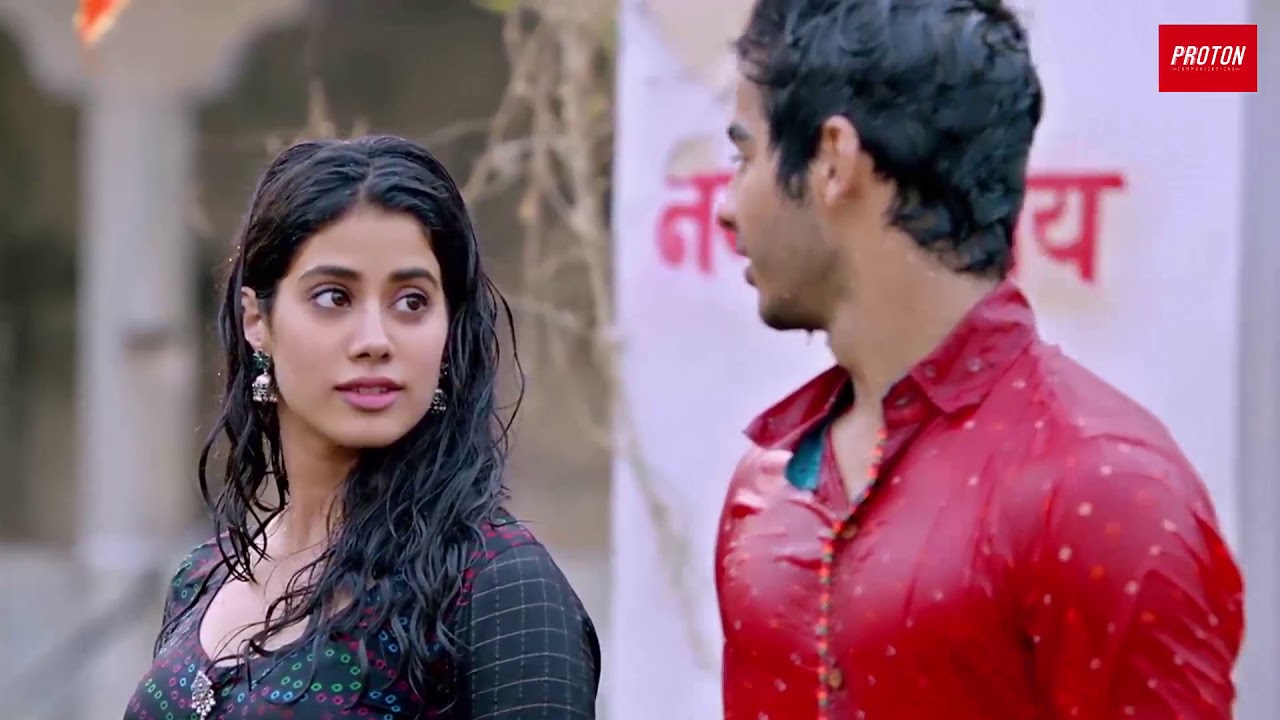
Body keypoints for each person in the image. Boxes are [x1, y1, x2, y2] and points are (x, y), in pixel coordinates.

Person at [712, 1, 1244, 719]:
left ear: (833, 160)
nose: (725, 208)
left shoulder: (1105, 490)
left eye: (745, 157)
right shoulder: (768, 484)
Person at [123, 135, 601, 719]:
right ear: (257, 321)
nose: (375, 340)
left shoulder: (499, 590)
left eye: (412, 302)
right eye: (334, 297)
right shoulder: (204, 577)